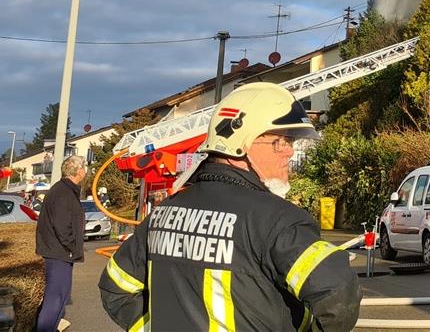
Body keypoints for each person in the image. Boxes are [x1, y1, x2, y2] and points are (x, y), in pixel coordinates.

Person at [99, 82, 361, 331]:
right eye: (281, 141)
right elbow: (338, 296)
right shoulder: (279, 220)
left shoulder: (163, 214)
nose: (289, 152)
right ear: (243, 144)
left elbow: (116, 288)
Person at [35, 155, 87, 332]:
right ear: (78, 171)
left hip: (59, 251)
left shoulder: (64, 190)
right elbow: (62, 226)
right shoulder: (63, 193)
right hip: (59, 253)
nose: (85, 171)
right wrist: (72, 247)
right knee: (55, 299)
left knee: (60, 297)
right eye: (84, 167)